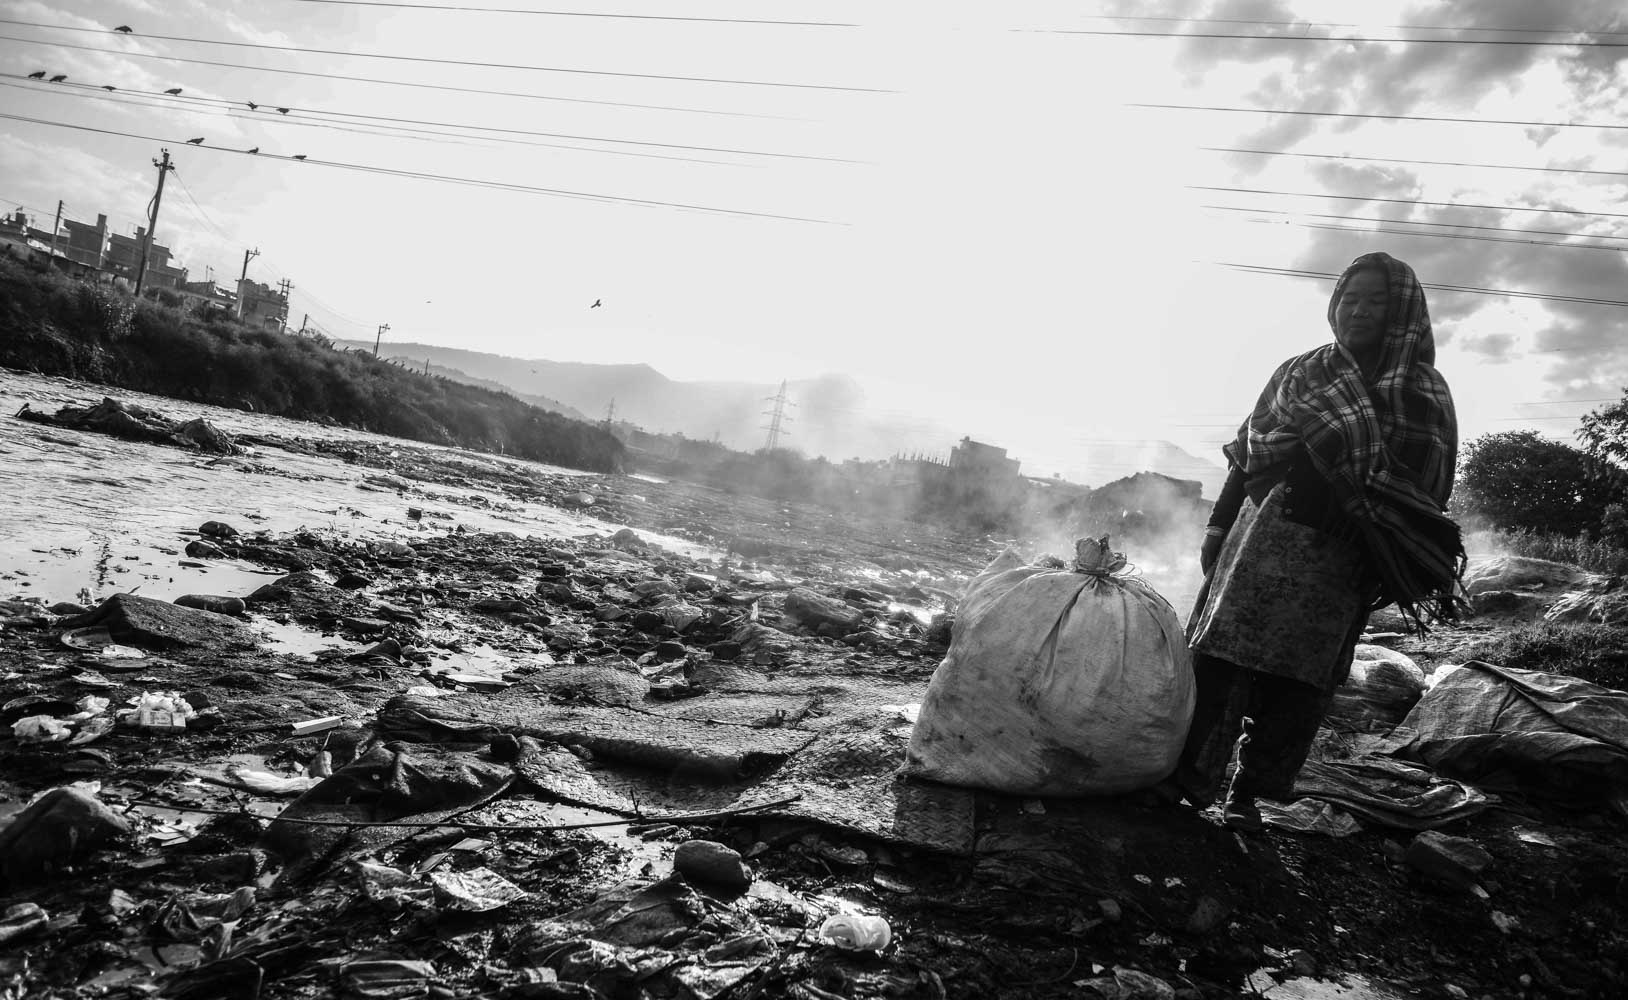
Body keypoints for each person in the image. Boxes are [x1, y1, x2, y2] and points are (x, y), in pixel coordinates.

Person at [1169, 251, 1465, 831]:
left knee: (1300, 681)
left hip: (1344, 557)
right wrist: (1217, 524)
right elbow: (1248, 450)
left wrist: (1389, 562)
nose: (1359, 310)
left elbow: (1425, 492)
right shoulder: (1301, 371)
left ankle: (1250, 795)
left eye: (1376, 301)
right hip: (1261, 540)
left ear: (1403, 312)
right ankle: (1186, 781)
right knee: (1219, 664)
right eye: (1350, 298)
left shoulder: (1423, 391)